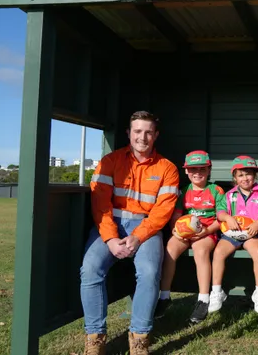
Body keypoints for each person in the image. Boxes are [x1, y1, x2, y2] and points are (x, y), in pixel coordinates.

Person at [81, 111, 180, 355]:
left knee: (148, 273)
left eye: (148, 132)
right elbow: (100, 204)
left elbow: (162, 211)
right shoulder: (110, 161)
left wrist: (138, 236)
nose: (142, 137)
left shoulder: (167, 168)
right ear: (129, 133)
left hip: (146, 226)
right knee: (90, 269)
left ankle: (139, 339)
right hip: (110, 224)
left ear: (156, 135)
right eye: (137, 131)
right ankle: (95, 339)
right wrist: (111, 239)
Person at [154, 150, 225, 323]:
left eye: (202, 169)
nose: (197, 173)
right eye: (193, 169)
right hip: (185, 232)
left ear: (209, 170)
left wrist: (207, 231)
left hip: (207, 232)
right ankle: (164, 297)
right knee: (169, 249)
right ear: (186, 171)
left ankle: (203, 299)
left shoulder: (215, 190)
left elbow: (220, 219)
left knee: (200, 250)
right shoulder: (184, 191)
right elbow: (176, 216)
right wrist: (177, 230)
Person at [209, 155, 258, 315]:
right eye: (241, 175)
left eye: (248, 174)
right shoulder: (230, 195)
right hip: (232, 234)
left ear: (255, 175)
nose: (245, 178)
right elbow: (220, 211)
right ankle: (216, 291)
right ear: (235, 178)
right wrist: (227, 218)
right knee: (218, 252)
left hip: (252, 234)